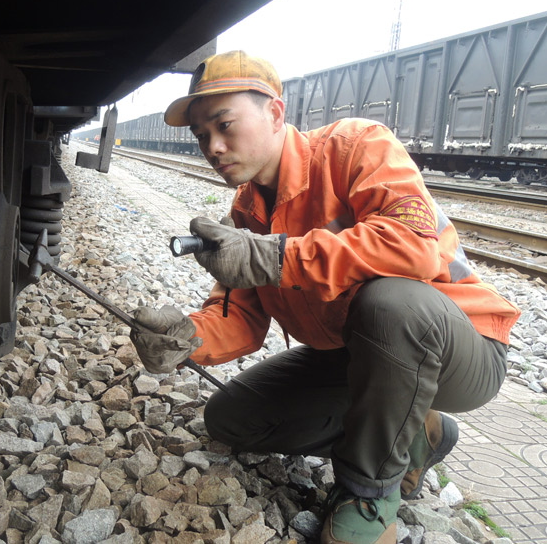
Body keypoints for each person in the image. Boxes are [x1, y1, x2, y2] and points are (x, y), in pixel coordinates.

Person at [130, 50, 520, 544]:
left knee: (391, 302)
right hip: (364, 357)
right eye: (202, 135)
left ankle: (369, 493)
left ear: (275, 113)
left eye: (225, 124)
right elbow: (242, 316)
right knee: (231, 419)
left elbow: (415, 247)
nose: (214, 145)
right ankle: (416, 431)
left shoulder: (356, 146)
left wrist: (277, 256)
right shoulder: (247, 209)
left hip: (461, 349)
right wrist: (187, 336)